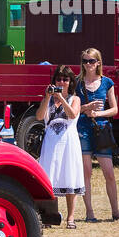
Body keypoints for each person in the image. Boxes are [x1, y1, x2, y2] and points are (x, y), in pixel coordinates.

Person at [75, 47, 119, 222]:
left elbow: (115, 109)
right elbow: (72, 109)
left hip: (102, 130)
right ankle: (89, 212)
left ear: (98, 63)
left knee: (109, 173)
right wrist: (86, 109)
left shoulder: (107, 82)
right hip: (83, 129)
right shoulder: (77, 82)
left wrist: (97, 114)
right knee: (86, 173)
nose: (88, 64)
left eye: (91, 61)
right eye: (85, 61)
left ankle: (115, 211)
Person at [35, 65, 84, 227]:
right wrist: (48, 97)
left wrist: (61, 98)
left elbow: (72, 114)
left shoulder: (75, 99)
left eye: (65, 79)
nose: (61, 82)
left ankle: (71, 217)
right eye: (59, 79)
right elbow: (40, 116)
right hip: (51, 142)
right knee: (49, 178)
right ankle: (50, 215)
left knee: (69, 176)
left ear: (71, 82)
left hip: (68, 142)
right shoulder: (47, 99)